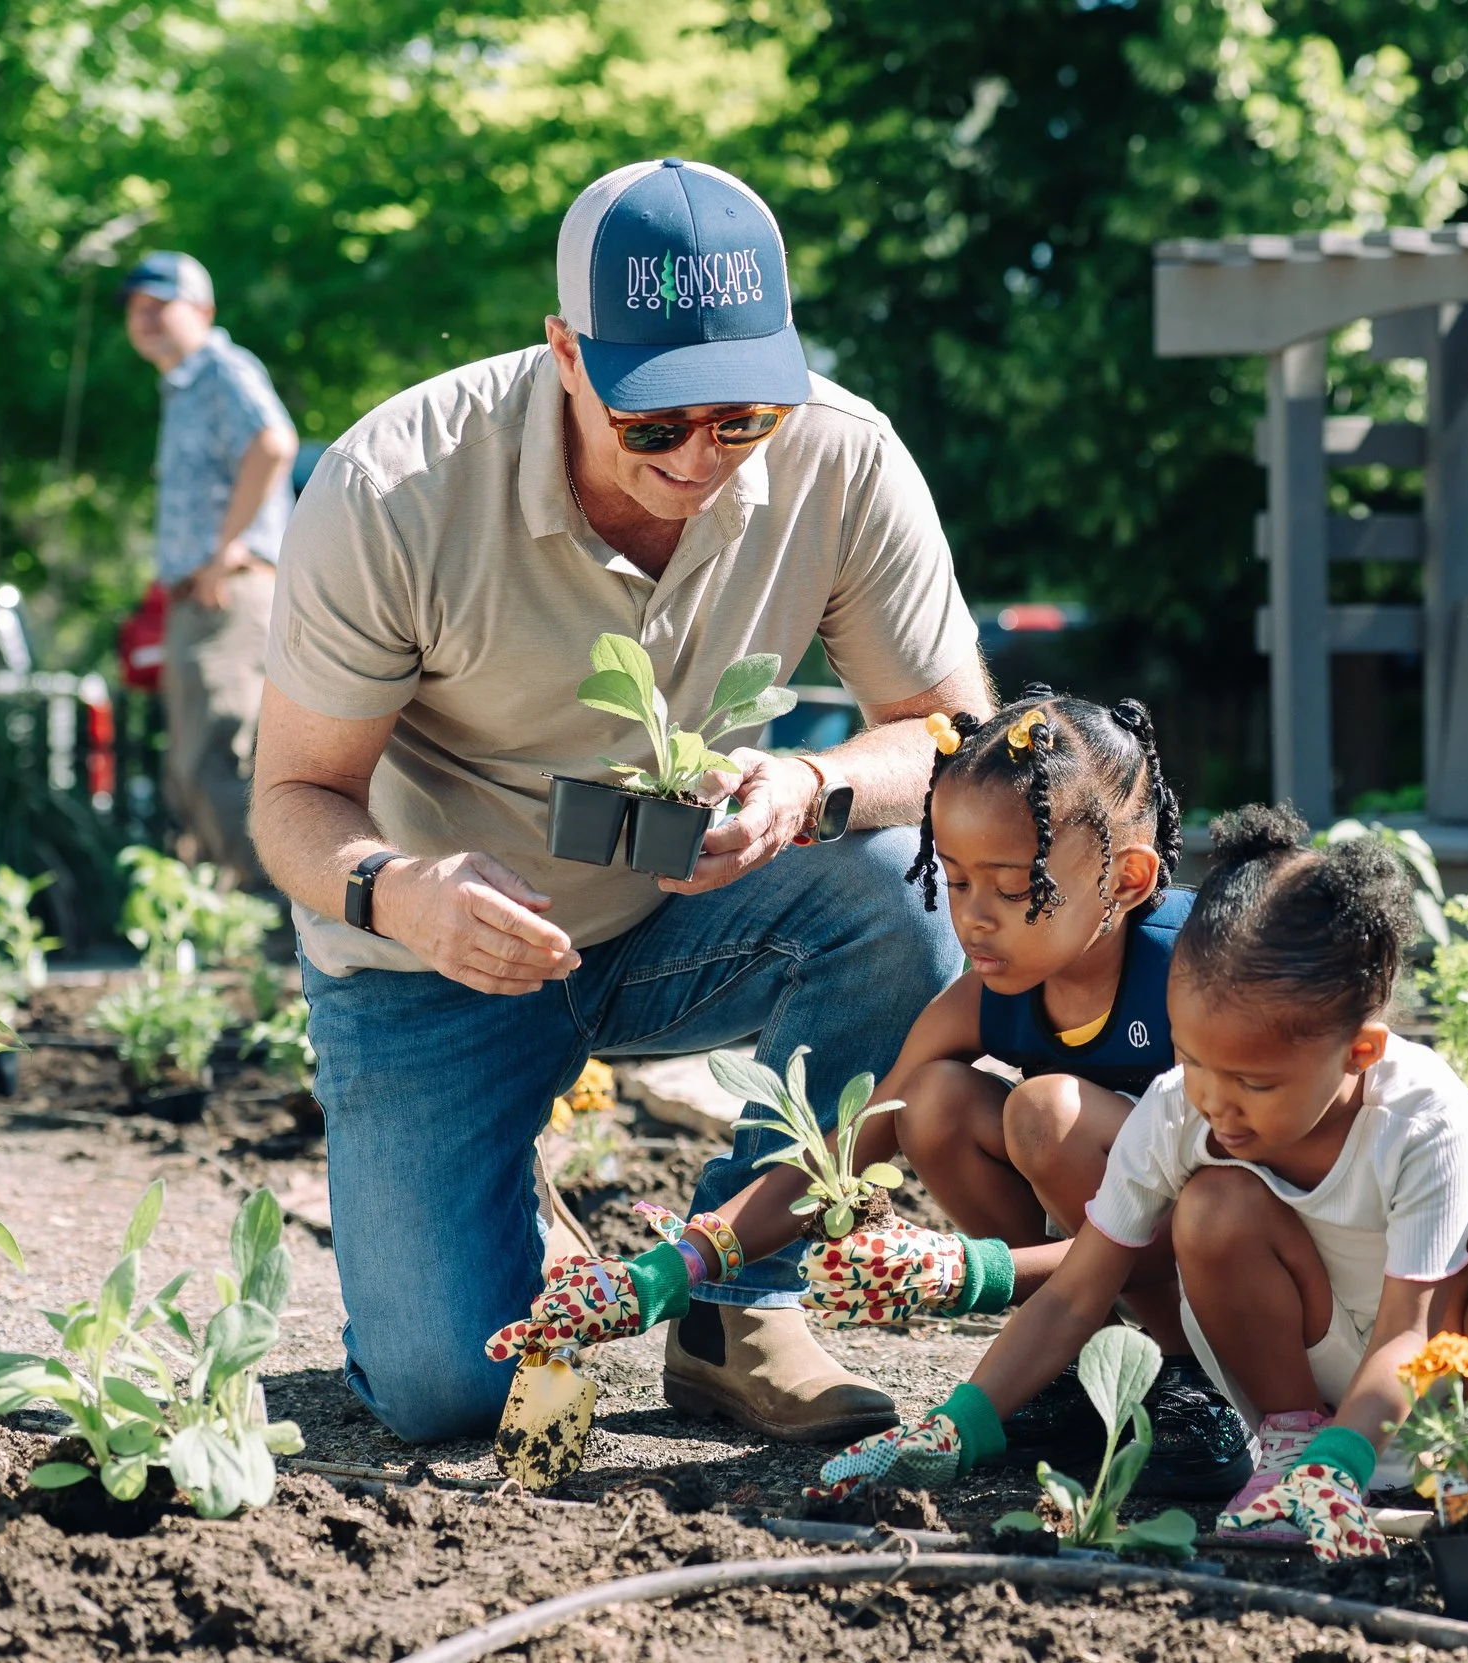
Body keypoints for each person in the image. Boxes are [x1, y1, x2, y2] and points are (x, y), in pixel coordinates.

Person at [251, 157, 990, 1445]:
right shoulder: (393, 487)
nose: (701, 459)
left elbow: (958, 742)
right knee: (451, 1390)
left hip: (685, 910)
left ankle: (734, 1299)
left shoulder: (846, 456)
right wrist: (399, 890)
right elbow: (293, 799)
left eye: (742, 418)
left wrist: (814, 785)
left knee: (908, 899)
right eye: (654, 423)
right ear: (566, 357)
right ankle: (498, 1198)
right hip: (442, 949)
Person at [483, 691, 1250, 1489]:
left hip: (1248, 1274)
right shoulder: (988, 994)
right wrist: (668, 1271)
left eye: (1012, 886)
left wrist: (967, 1270)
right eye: (953, 880)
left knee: (1046, 1113)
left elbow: (1221, 1224)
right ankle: (1078, 1364)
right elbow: (840, 1157)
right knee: (934, 1101)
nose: (973, 920)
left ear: (1126, 880)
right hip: (1110, 1250)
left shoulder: (1194, 983)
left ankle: (1196, 1383)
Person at [803, 805, 1468, 1561]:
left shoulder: (1424, 1117)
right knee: (1214, 1205)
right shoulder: (1182, 1106)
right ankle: (1286, 1451)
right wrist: (955, 1425)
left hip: (1435, 1374)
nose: (1214, 1099)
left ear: (1359, 1052)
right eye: (1193, 1057)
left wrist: (1345, 1464)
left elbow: (1407, 1336)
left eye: (1252, 1080)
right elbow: (1077, 1292)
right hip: (1307, 1372)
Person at [121, 250, 298, 888]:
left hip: (232, 589)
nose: (143, 318)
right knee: (190, 769)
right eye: (135, 307)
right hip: (202, 594)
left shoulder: (220, 367)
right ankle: (245, 914)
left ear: (202, 310)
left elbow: (273, 443)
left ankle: (283, 918)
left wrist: (226, 550)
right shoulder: (183, 385)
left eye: (159, 303)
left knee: (216, 759)